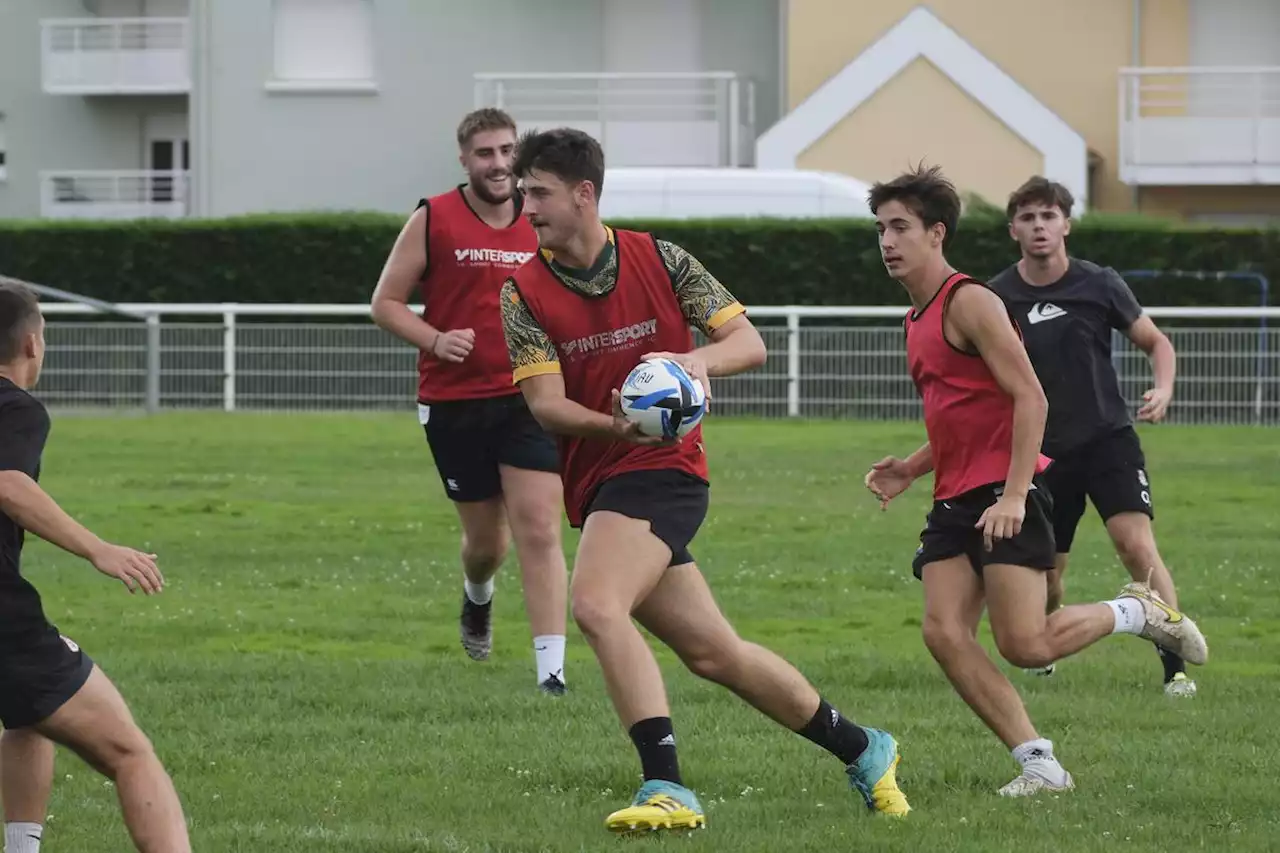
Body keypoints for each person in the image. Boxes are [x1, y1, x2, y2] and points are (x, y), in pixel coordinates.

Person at [500, 127, 911, 833]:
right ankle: (864, 746)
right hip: (604, 472)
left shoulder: (661, 257)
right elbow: (545, 406)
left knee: (597, 604)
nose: (524, 204)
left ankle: (668, 785)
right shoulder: (522, 292)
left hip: (665, 471)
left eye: (537, 191)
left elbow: (747, 343)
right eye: (523, 191)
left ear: (583, 193)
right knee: (715, 652)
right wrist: (617, 426)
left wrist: (692, 362)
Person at [862, 165, 1208, 797]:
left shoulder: (972, 301)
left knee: (1025, 644)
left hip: (1006, 492)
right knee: (943, 631)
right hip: (955, 498)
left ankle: (1138, 609)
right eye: (881, 228)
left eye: (900, 227)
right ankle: (1040, 763)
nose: (887, 240)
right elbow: (961, 416)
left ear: (937, 233)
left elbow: (1031, 398)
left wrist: (1016, 495)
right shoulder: (914, 320)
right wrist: (911, 468)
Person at [371, 108, 570, 693]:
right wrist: (435, 338)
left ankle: (551, 672)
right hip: (454, 402)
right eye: (486, 153)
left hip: (529, 396)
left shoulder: (542, 220)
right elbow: (385, 303)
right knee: (488, 544)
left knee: (539, 527)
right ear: (464, 159)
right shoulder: (434, 218)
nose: (500, 163)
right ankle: (477, 596)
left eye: (508, 150)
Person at [0, 281, 190, 853]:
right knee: (129, 752)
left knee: (27, 710)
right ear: (33, 344)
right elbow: (8, 484)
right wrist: (98, 549)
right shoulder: (14, 407)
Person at [988, 176, 1195, 697]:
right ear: (1013, 228)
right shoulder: (995, 297)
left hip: (1108, 441)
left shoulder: (1099, 283)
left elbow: (1156, 342)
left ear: (1067, 225)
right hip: (1041, 454)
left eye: (1049, 216)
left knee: (1136, 546)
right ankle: (1043, 646)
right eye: (1029, 217)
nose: (1040, 226)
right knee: (1049, 577)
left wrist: (1164, 388)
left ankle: (1175, 668)